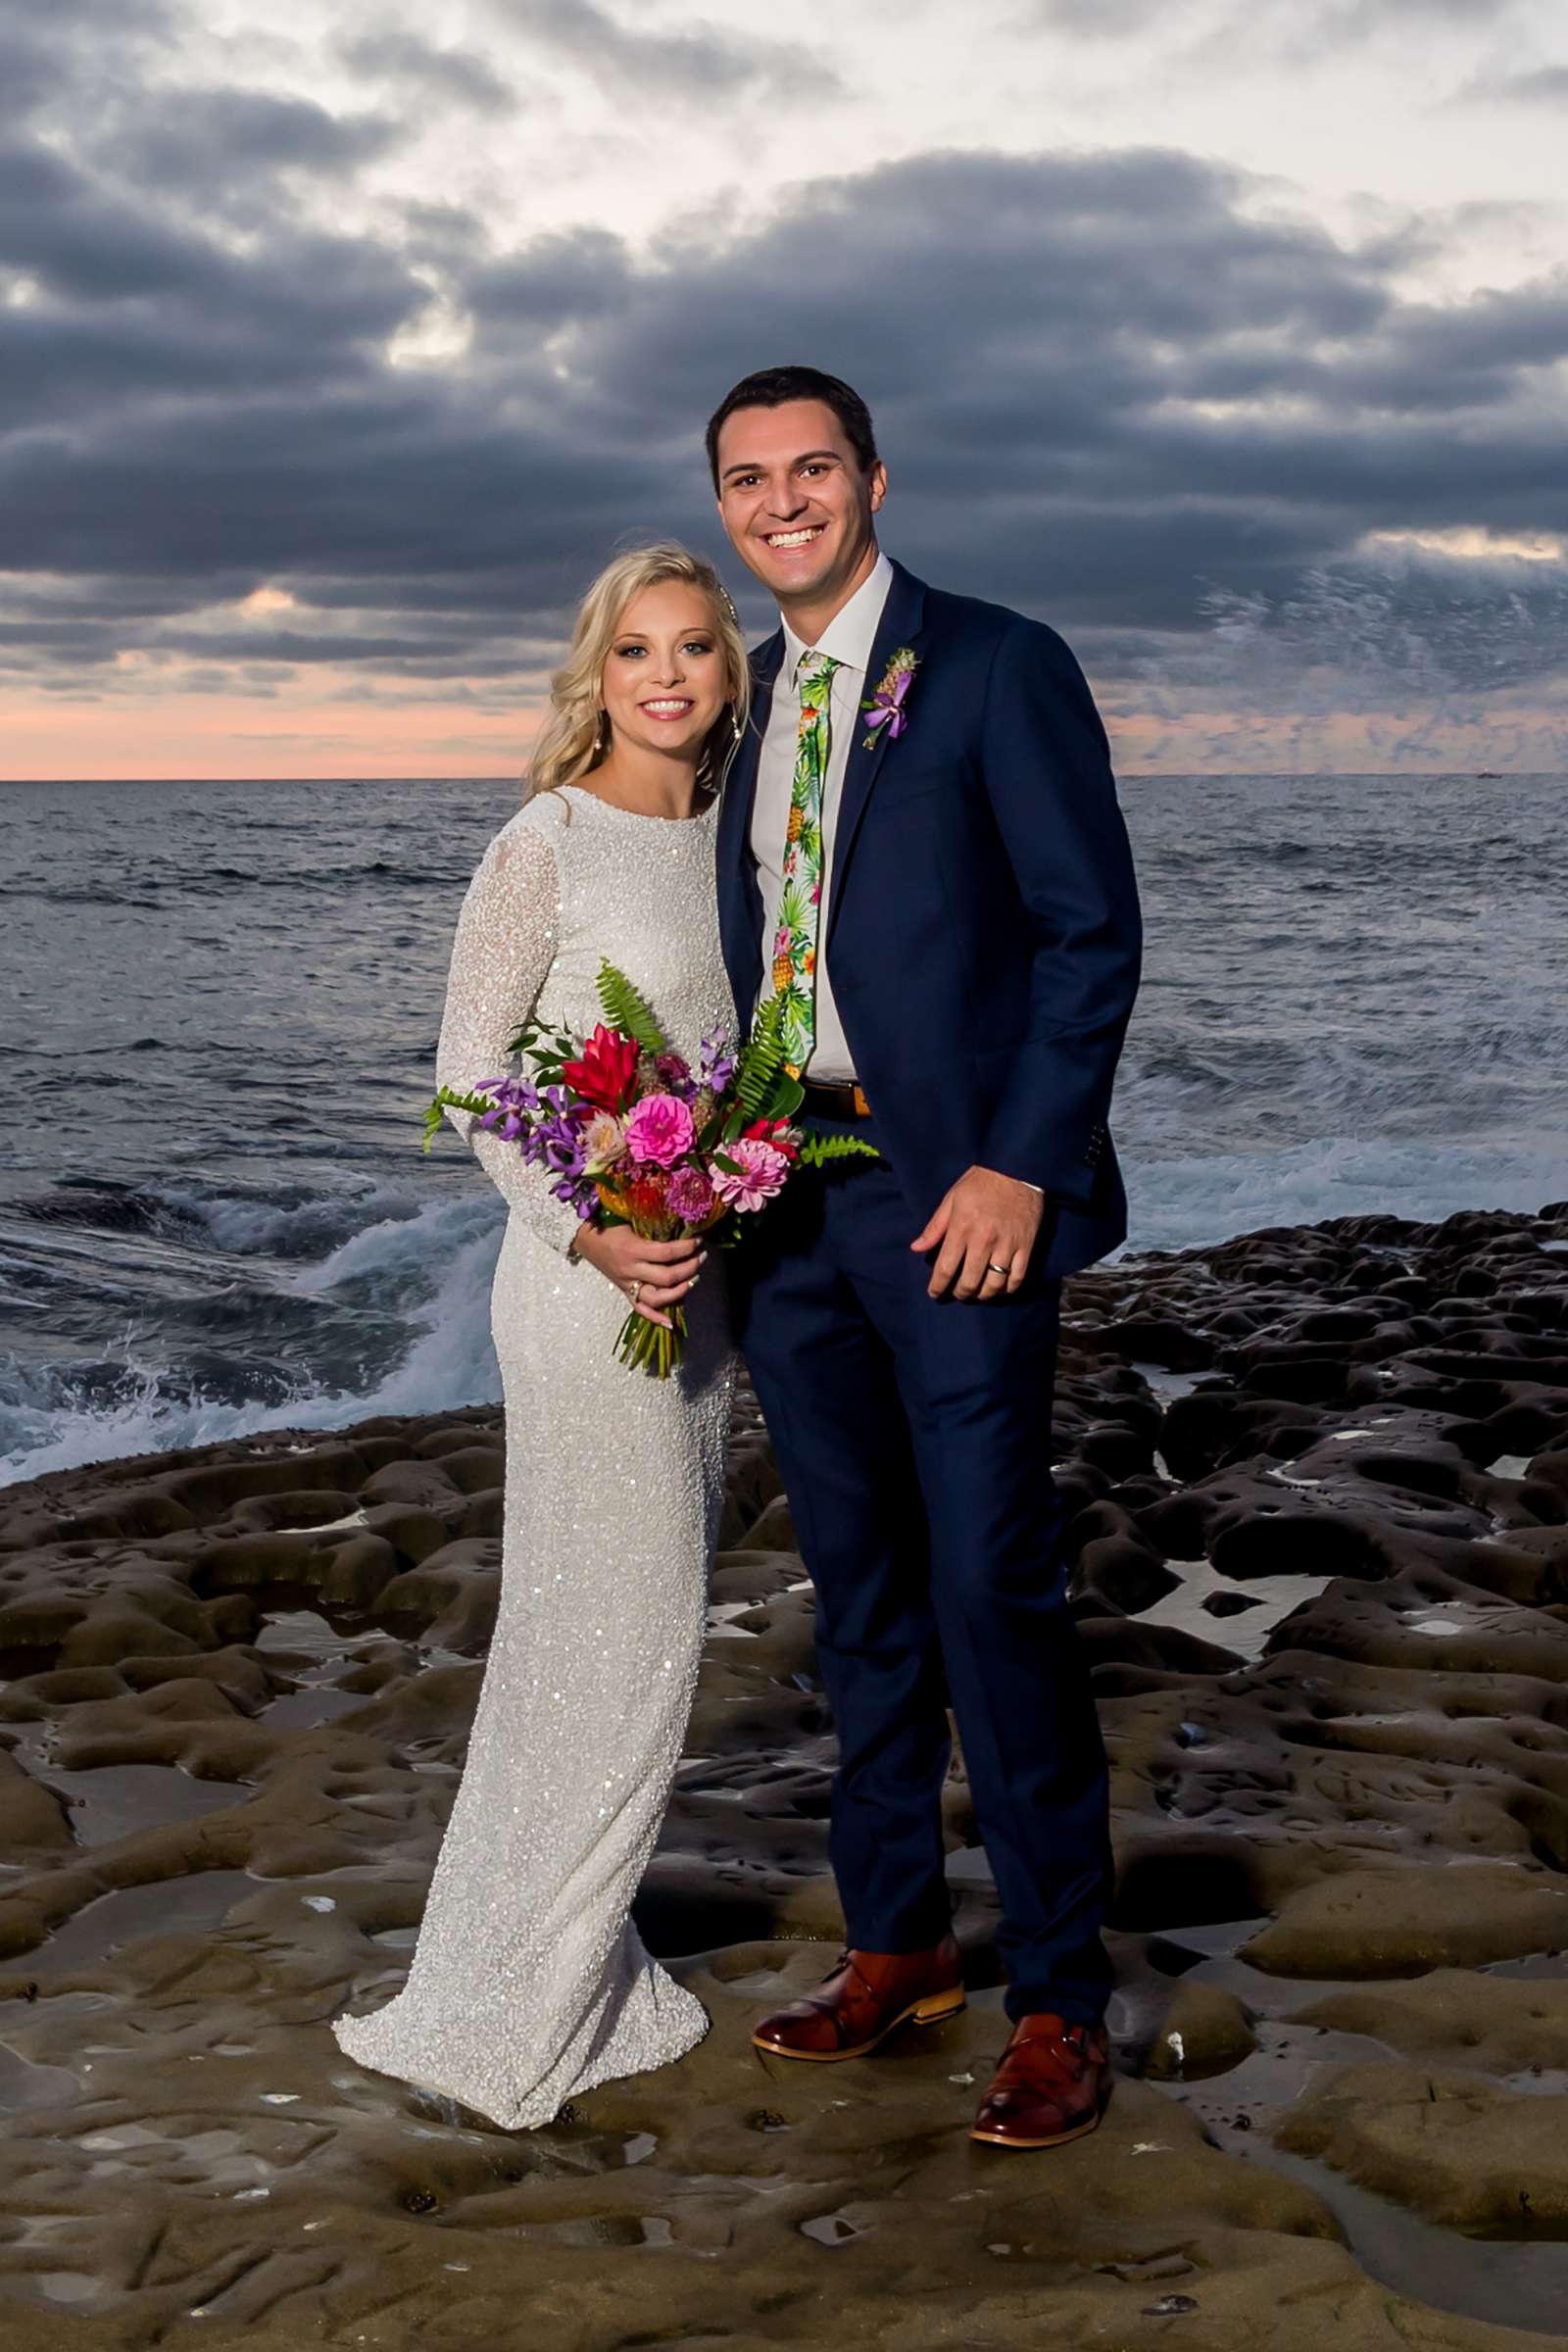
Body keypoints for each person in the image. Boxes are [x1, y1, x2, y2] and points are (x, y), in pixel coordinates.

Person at [709, 365, 1143, 2151]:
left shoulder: (990, 662)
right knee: (864, 1601)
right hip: (788, 1205)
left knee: (992, 1594)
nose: (784, 500)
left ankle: (1057, 1996)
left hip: (952, 1203)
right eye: (749, 478)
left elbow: (1088, 932)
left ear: (874, 479)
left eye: (813, 468)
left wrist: (1020, 1169)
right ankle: (897, 1943)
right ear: (725, 506)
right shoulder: (742, 703)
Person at [330, 544, 751, 2130]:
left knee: (625, 1628)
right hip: (583, 1284)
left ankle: (554, 1948)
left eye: (695, 649)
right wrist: (595, 1228)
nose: (665, 675)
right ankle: (524, 1986)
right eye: (636, 648)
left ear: (729, 672)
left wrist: (715, 1200)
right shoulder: (545, 840)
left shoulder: (736, 847)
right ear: (597, 668)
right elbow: (471, 1079)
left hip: (697, 1286)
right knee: (615, 1630)